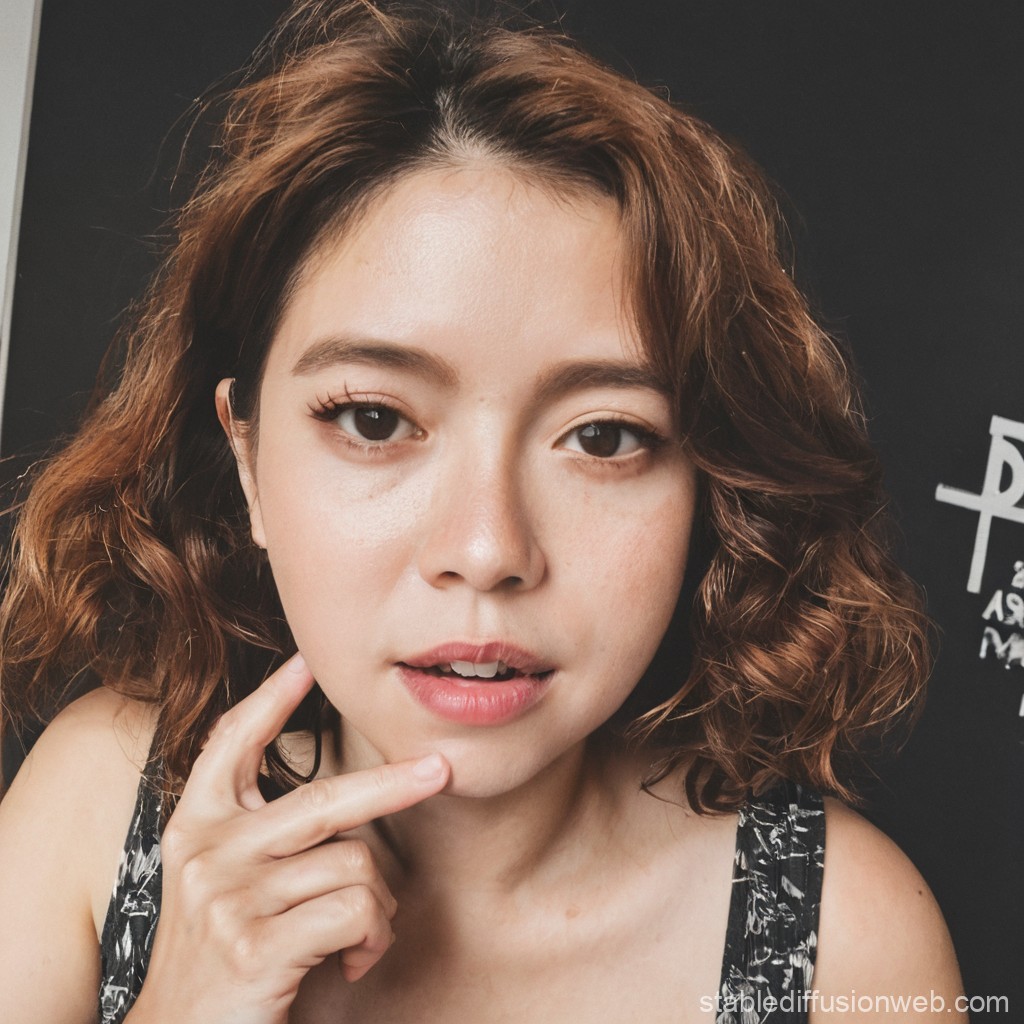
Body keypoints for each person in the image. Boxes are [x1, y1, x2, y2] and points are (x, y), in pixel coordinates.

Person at [0, 1, 965, 1021]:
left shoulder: (841, 946)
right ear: (248, 463)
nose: (486, 549)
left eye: (602, 436)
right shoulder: (98, 808)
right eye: (374, 418)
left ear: (706, 482)